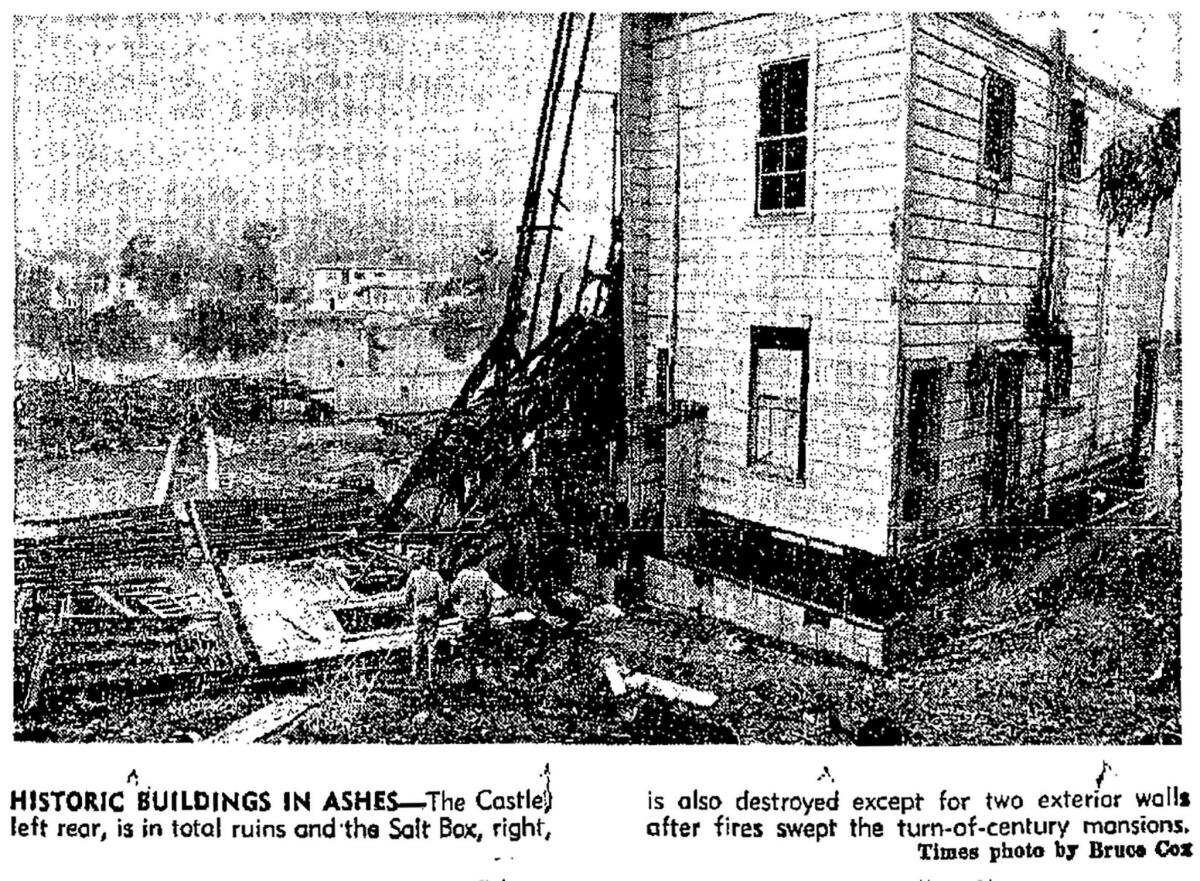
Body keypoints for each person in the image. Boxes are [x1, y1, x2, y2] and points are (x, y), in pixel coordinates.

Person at [401, 554, 448, 683]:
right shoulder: (436, 576)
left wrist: (412, 608)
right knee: (432, 642)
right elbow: (443, 596)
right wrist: (439, 608)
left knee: (417, 641)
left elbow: (407, 596)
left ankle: (415, 671)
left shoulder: (414, 575)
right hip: (432, 609)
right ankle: (431, 673)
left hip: (419, 610)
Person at [451, 564, 497, 684]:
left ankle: (467, 672)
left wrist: (459, 608)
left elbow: (453, 592)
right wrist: (486, 610)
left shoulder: (462, 575)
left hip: (466, 614)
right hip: (480, 614)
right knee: (481, 644)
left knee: (466, 644)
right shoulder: (484, 575)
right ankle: (481, 672)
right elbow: (490, 596)